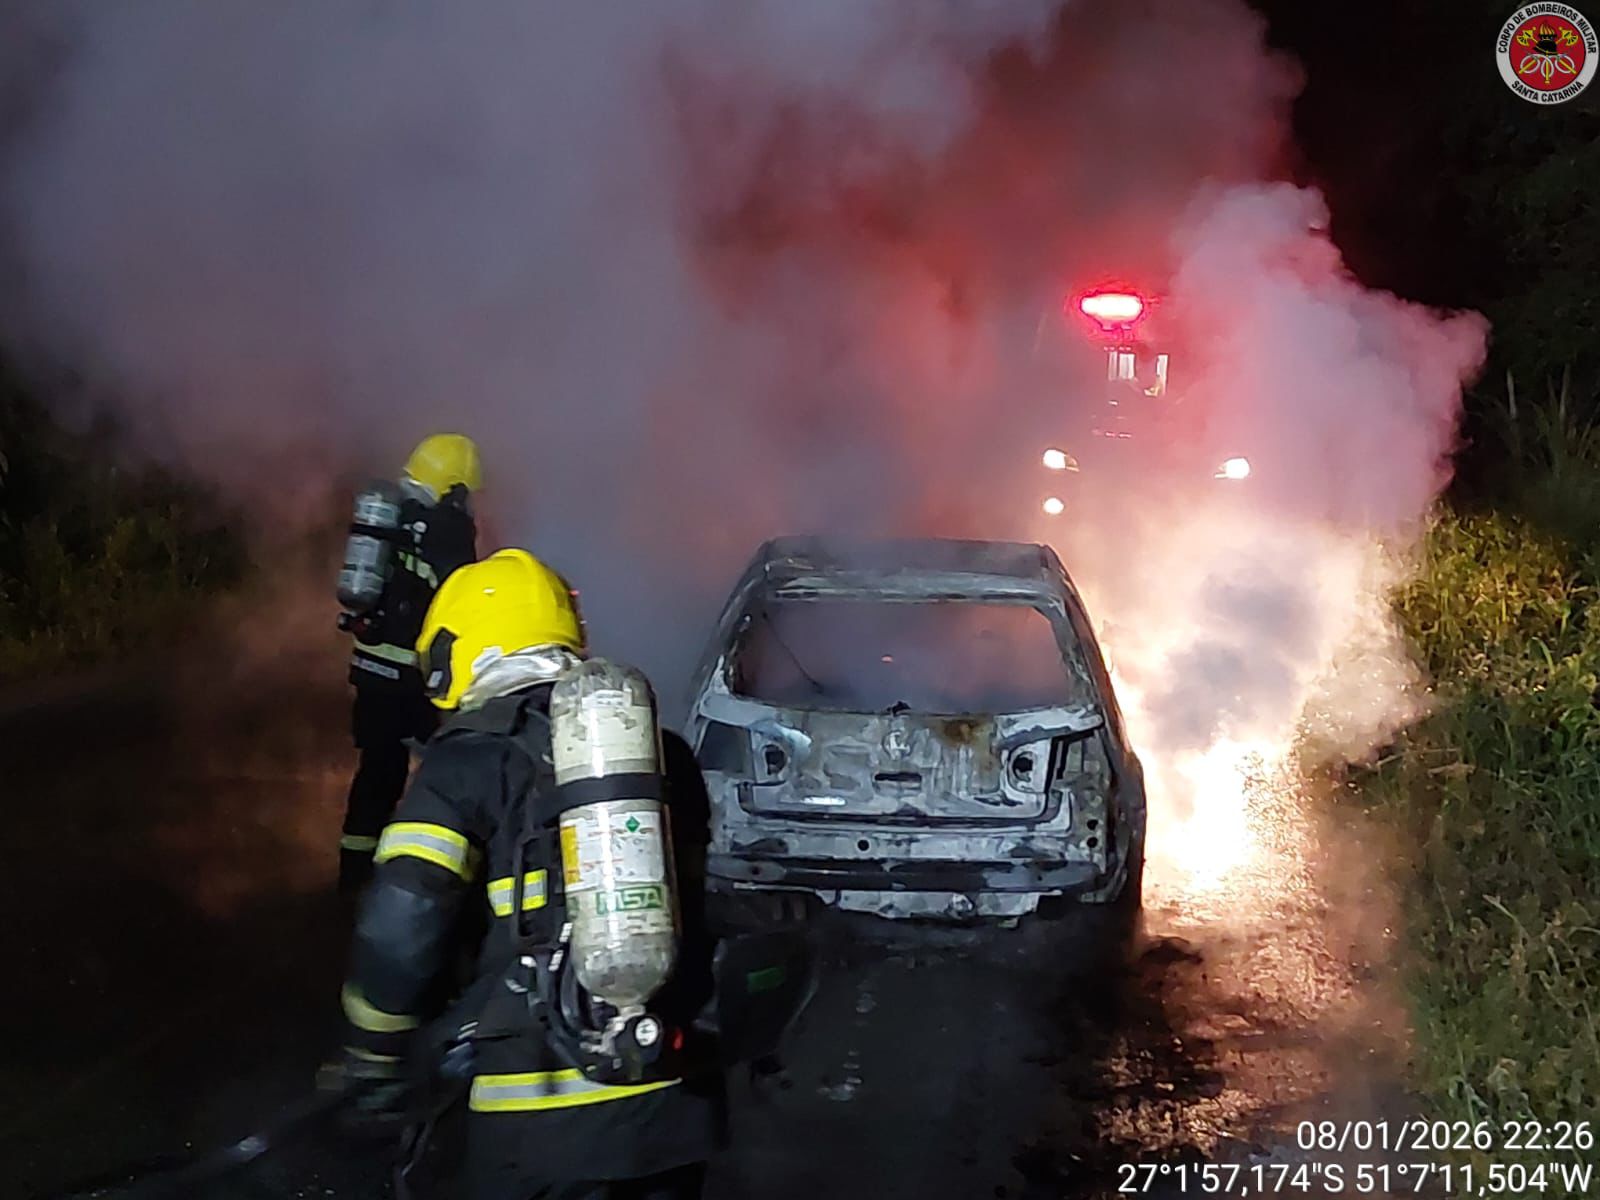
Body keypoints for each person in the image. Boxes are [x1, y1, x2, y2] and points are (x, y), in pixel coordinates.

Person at [333, 549, 726, 1200]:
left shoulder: (467, 762)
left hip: (534, 1116)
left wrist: (373, 1055)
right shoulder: (662, 753)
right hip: (669, 1108)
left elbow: (402, 919)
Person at [339, 433, 482, 893]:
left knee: (378, 773)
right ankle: (423, 878)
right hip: (413, 677)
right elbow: (459, 595)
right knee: (448, 773)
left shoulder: (390, 513)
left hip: (372, 669)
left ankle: (354, 877)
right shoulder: (448, 526)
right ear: (454, 485)